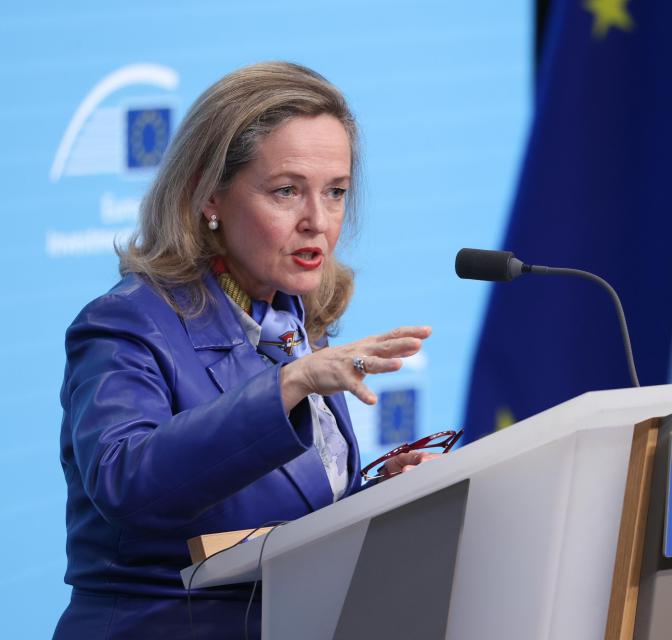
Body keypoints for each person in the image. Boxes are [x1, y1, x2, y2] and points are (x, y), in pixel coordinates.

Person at [53, 61, 435, 639]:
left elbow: (276, 514)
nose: (318, 221)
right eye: (287, 191)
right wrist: (290, 384)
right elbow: (126, 482)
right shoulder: (126, 322)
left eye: (335, 192)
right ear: (209, 194)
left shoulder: (290, 317)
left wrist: (379, 495)